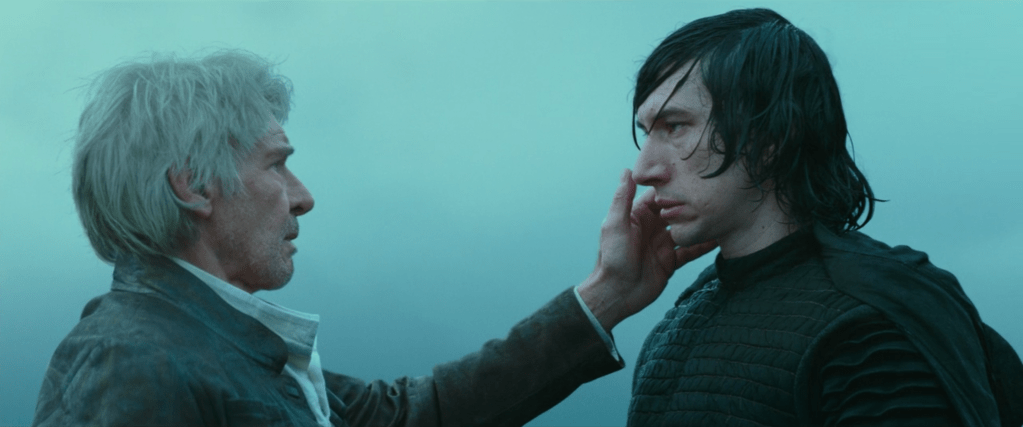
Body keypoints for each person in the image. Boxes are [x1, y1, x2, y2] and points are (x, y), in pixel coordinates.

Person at [32, 49, 717, 426]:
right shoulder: (129, 362)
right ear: (194, 186)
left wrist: (607, 295)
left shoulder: (211, 347)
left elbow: (416, 414)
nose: (302, 195)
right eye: (276, 164)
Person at [623, 7, 1023, 427]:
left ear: (771, 137)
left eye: (675, 126)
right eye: (647, 132)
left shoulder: (868, 328)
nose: (643, 169)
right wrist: (605, 298)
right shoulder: (680, 321)